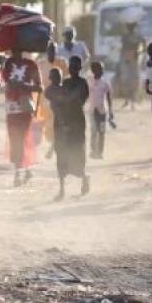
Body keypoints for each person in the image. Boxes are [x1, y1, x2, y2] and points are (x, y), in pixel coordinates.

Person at [0, 33, 42, 187]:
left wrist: (25, 87)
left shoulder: (31, 64)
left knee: (21, 137)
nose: (15, 49)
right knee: (15, 138)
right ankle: (24, 169)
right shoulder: (6, 63)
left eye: (18, 45)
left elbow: (39, 87)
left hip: (25, 105)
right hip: (11, 106)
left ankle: (19, 172)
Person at [47, 57, 90, 200]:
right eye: (71, 66)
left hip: (77, 122)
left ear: (79, 68)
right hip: (62, 122)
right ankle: (62, 189)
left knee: (77, 152)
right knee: (62, 154)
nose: (73, 69)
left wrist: (64, 100)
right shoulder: (64, 83)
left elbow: (78, 100)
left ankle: (84, 178)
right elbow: (57, 99)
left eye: (76, 67)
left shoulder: (82, 83)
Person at [88, 61, 113, 159]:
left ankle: (100, 152)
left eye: (102, 69)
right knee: (94, 131)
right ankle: (93, 151)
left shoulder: (105, 83)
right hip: (92, 111)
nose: (101, 71)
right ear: (94, 70)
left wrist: (110, 111)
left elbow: (109, 97)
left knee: (101, 132)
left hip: (102, 111)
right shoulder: (89, 81)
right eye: (99, 69)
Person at [118, 22, 145, 109]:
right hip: (126, 59)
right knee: (126, 80)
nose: (130, 29)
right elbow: (122, 48)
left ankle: (133, 100)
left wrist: (139, 52)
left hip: (134, 59)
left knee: (134, 79)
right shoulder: (125, 37)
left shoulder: (137, 36)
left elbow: (144, 44)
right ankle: (127, 100)